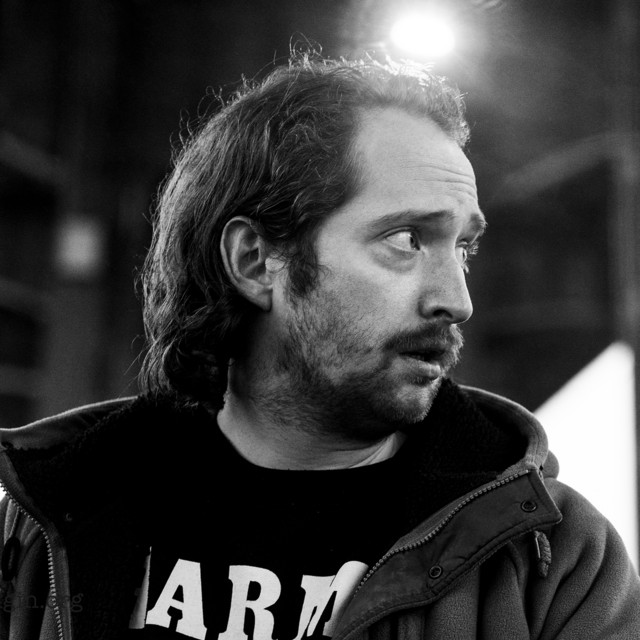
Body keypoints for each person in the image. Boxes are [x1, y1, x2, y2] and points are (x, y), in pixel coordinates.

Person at [0, 51, 638, 640]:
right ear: (255, 261)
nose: (457, 299)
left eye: (463, 248)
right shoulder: (46, 520)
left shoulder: (555, 561)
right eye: (407, 239)